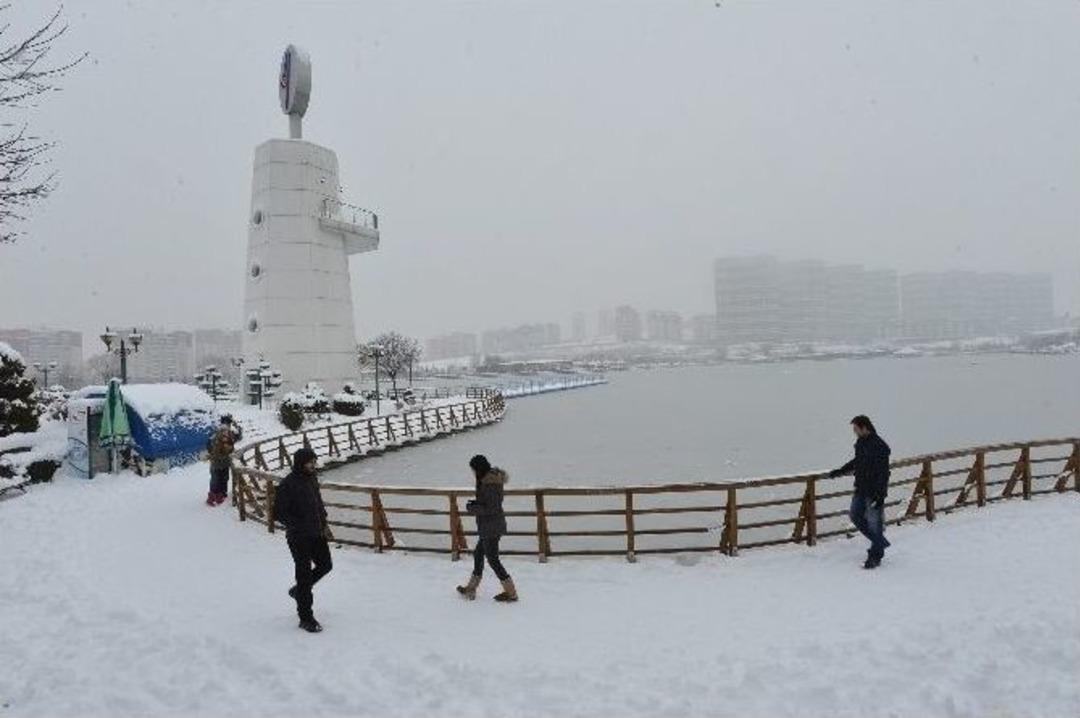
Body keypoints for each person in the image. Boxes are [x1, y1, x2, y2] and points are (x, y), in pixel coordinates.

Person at [271, 448, 334, 633]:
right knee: (304, 575)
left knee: (326, 565)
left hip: (317, 533)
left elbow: (318, 504)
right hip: (299, 537)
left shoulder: (312, 479)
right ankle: (305, 617)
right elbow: (278, 513)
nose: (313, 465)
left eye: (314, 462)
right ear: (300, 463)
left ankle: (298, 591)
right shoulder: (288, 484)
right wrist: (298, 524)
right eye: (310, 462)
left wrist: (325, 523)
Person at [829, 415, 892, 569]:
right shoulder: (861, 443)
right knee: (855, 515)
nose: (855, 432)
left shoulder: (880, 446)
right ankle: (880, 542)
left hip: (874, 492)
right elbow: (857, 461)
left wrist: (880, 495)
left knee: (874, 524)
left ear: (865, 428)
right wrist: (840, 471)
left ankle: (875, 556)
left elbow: (884, 473)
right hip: (860, 488)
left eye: (856, 429)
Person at [457, 454, 518, 602]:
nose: (473, 472)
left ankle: (511, 593)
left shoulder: (490, 483)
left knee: (493, 560)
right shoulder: (488, 480)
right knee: (478, 555)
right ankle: (471, 588)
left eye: (473, 469)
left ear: (479, 468)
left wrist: (472, 508)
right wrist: (476, 504)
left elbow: (491, 508)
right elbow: (488, 504)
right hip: (489, 525)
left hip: (492, 526)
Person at [206, 415, 242, 506]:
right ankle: (217, 496)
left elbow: (208, 444)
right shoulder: (226, 432)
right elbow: (238, 437)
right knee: (221, 478)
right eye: (229, 423)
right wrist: (237, 426)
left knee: (216, 478)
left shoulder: (216, 432)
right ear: (228, 423)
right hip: (222, 461)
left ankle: (215, 496)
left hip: (216, 461)